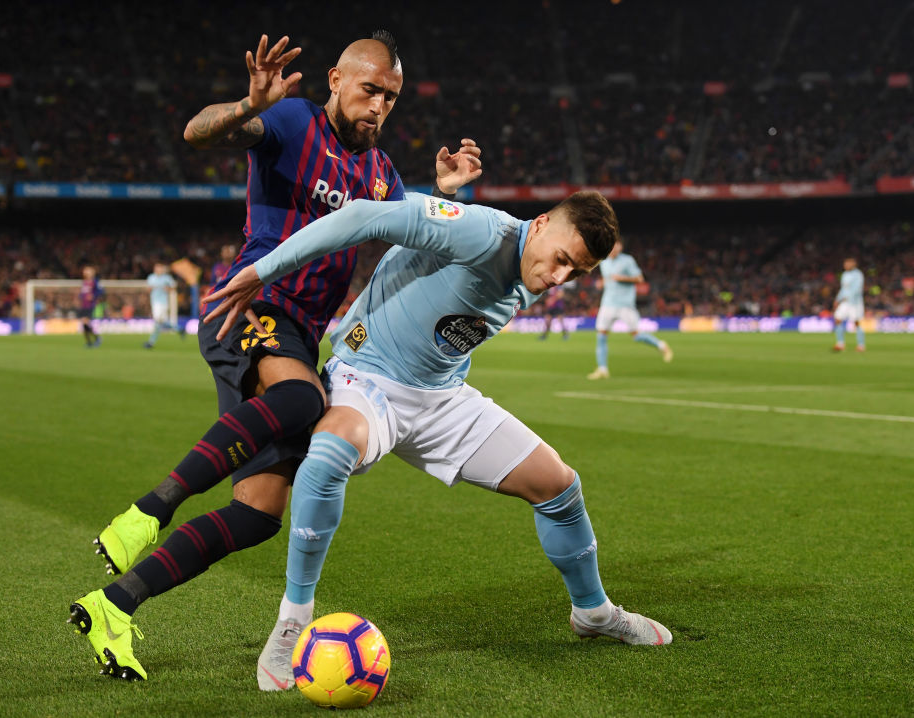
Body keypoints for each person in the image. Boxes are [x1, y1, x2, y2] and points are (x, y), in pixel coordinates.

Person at [67, 31, 482, 682]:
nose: (379, 106)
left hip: (297, 333)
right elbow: (196, 133)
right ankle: (148, 511)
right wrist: (243, 106)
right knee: (300, 400)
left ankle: (113, 605)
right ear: (336, 81)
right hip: (248, 304)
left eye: (391, 97)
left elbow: (417, 248)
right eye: (369, 89)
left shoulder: (381, 175)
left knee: (258, 514)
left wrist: (450, 198)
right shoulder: (294, 121)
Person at [204, 191, 674, 690]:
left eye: (576, 273)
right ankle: (293, 621)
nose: (560, 279)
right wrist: (263, 271)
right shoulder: (483, 233)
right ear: (539, 225)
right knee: (326, 458)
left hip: (441, 397)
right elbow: (364, 214)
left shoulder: (535, 265)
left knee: (559, 485)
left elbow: (422, 248)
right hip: (368, 380)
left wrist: (440, 189)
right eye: (561, 260)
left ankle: (594, 613)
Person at [586, 240, 672, 380]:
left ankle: (661, 345)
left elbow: (640, 279)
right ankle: (602, 369)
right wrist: (601, 283)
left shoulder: (627, 260)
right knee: (601, 336)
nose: (615, 249)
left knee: (636, 335)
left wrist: (622, 278)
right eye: (612, 246)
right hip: (607, 303)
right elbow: (607, 279)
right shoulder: (604, 261)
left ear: (620, 247)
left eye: (617, 246)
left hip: (625, 305)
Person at [143, 262, 186, 349]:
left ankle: (151, 342)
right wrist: (149, 289)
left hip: (163, 303)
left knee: (158, 321)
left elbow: (174, 287)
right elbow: (148, 290)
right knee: (160, 322)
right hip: (154, 302)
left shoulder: (166, 278)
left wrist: (168, 289)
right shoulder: (151, 277)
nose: (158, 270)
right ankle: (179, 329)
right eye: (157, 268)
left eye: (160, 268)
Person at [832, 257, 866, 352]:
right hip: (845, 302)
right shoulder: (844, 274)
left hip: (855, 303)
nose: (845, 266)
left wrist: (849, 297)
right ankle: (840, 344)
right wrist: (837, 299)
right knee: (838, 319)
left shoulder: (858, 275)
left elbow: (857, 288)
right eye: (845, 264)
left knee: (856, 323)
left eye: (847, 264)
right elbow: (843, 288)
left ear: (853, 264)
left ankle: (861, 345)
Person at [78, 265, 103, 348]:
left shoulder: (95, 282)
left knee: (85, 321)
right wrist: (80, 297)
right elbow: (82, 293)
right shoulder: (84, 282)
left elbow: (100, 291)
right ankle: (89, 341)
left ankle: (97, 338)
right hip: (83, 305)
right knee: (84, 323)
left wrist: (93, 296)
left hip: (90, 305)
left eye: (87, 271)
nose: (85, 272)